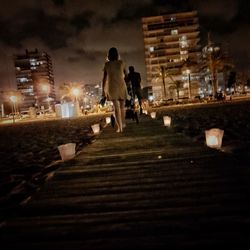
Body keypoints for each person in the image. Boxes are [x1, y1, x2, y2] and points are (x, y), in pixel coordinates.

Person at [102, 47, 128, 133]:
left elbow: (104, 79)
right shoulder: (121, 62)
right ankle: (123, 124)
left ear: (108, 55)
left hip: (111, 86)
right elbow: (126, 75)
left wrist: (103, 91)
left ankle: (119, 127)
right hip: (121, 85)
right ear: (117, 54)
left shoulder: (107, 64)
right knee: (122, 107)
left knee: (116, 108)